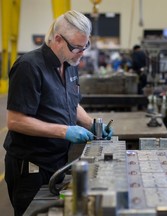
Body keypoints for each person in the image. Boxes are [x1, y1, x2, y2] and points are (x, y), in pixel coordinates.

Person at [3, 10, 113, 216]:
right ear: (58, 39)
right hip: (31, 167)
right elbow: (15, 121)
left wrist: (91, 124)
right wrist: (64, 131)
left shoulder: (70, 64)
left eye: (85, 46)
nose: (82, 53)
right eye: (77, 47)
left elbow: (72, 103)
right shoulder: (29, 66)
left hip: (58, 162)